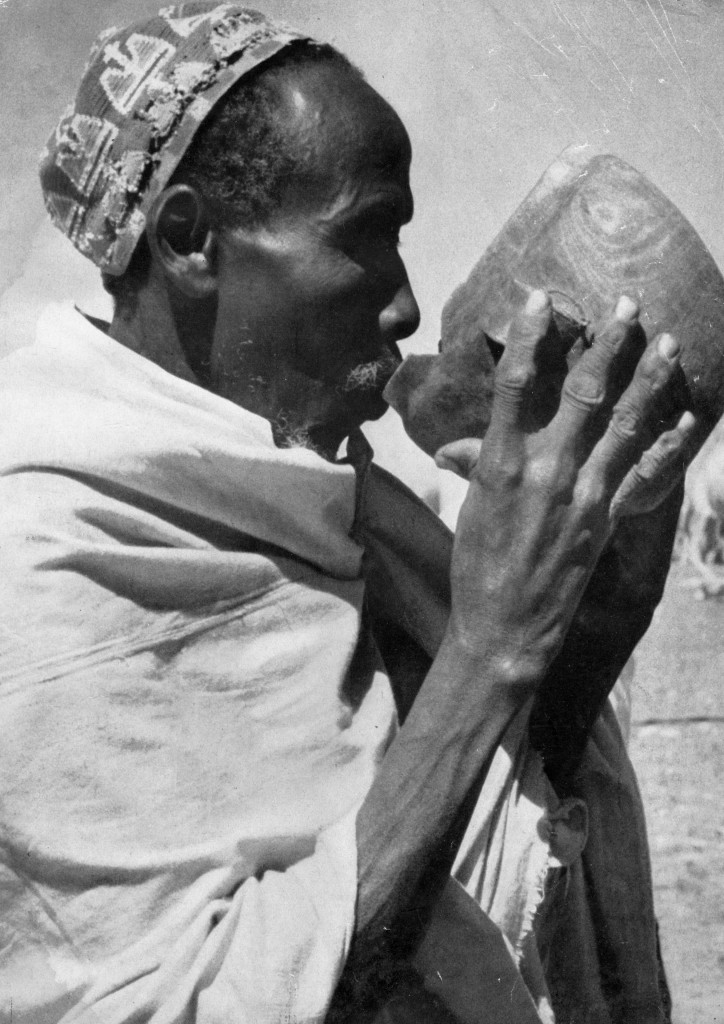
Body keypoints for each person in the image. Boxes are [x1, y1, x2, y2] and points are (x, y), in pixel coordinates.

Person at [0, 4, 695, 1022]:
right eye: (363, 236)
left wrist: (609, 555)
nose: (406, 304)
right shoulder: (44, 570)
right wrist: (491, 644)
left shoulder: (334, 495)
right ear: (191, 239)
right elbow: (228, 996)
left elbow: (512, 770)